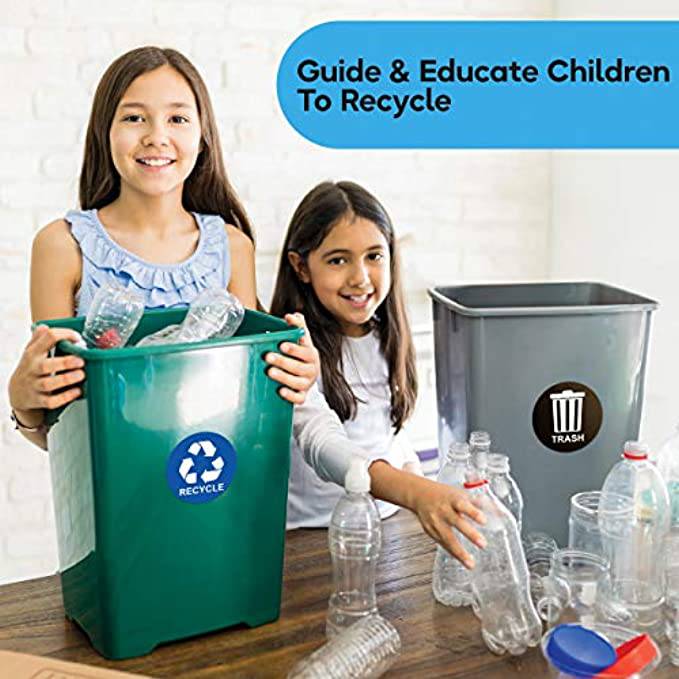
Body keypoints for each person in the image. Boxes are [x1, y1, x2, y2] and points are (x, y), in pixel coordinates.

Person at [7, 46, 317, 451]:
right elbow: (62, 431)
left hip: (217, 481)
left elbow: (251, 404)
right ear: (105, 130)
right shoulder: (62, 246)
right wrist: (24, 404)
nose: (156, 136)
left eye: (178, 119)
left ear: (203, 135)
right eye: (134, 117)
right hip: (118, 493)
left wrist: (296, 374)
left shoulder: (232, 247)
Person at [271, 181, 486, 568]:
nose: (361, 278)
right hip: (310, 540)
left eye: (374, 256)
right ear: (301, 267)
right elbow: (324, 445)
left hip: (383, 529)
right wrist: (414, 491)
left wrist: (418, 480)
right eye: (338, 260)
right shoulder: (294, 347)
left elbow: (385, 433)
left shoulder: (389, 335)